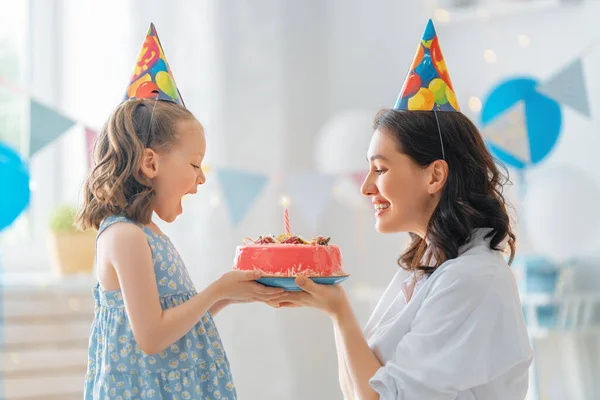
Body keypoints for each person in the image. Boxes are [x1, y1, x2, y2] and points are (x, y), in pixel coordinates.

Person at [275, 20, 533, 399]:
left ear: (435, 176)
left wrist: (340, 311)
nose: (365, 187)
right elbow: (362, 390)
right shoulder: (426, 269)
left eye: (379, 169)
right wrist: (335, 312)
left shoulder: (473, 279)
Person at [76, 23, 286, 399]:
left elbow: (173, 322)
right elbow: (152, 337)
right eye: (194, 164)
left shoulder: (148, 233)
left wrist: (230, 295)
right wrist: (217, 288)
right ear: (150, 163)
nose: (201, 179)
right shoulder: (124, 236)